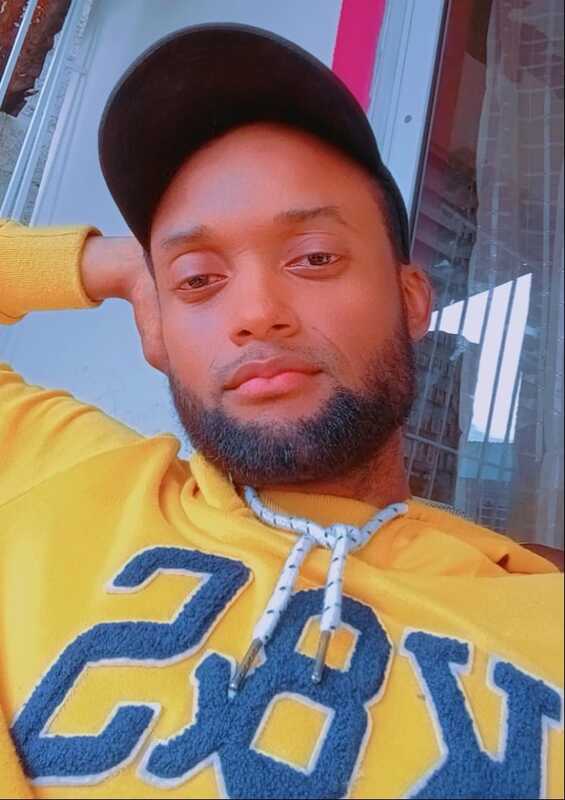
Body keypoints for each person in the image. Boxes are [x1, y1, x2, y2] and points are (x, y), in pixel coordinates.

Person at [0, 24, 562, 800]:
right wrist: (115, 265)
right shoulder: (55, 474)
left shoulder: (538, 617)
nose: (254, 312)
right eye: (199, 281)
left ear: (410, 300)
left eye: (314, 258)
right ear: (158, 326)